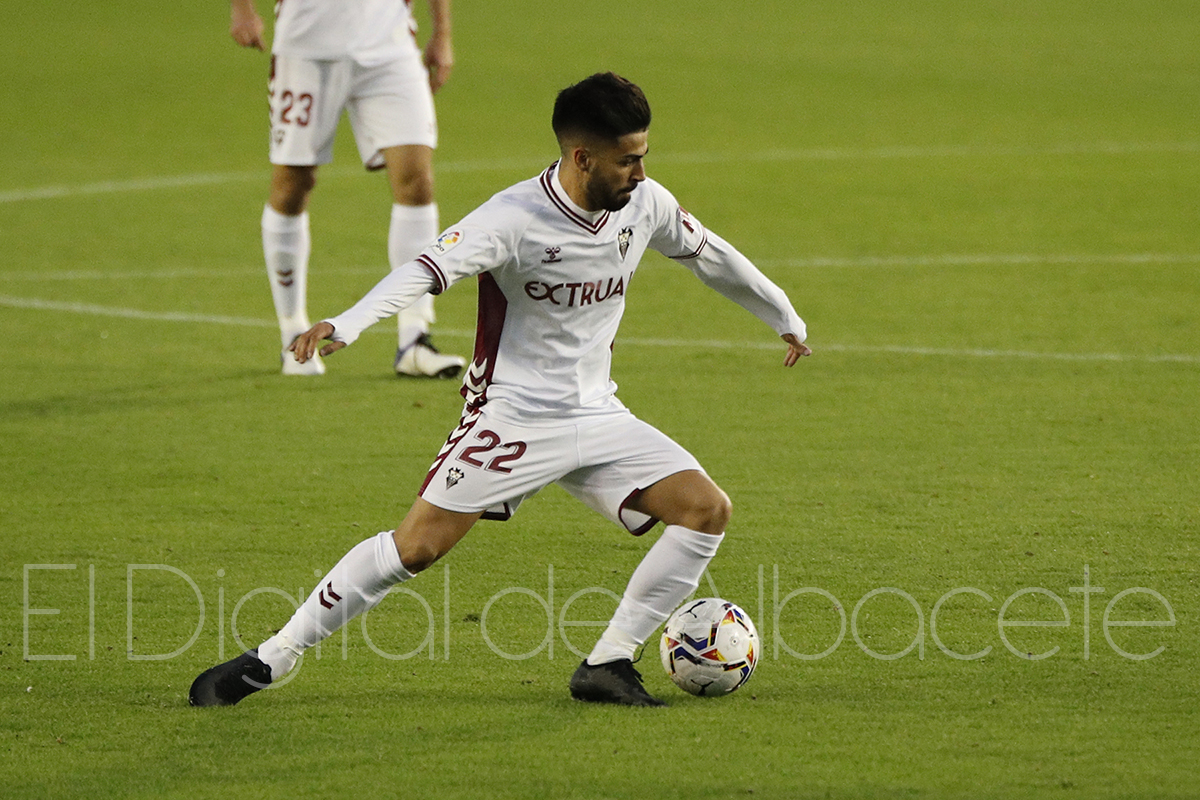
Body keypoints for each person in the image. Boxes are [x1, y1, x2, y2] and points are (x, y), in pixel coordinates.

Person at [190, 72, 811, 708]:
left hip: (598, 413)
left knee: (706, 510)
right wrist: (347, 323)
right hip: (513, 417)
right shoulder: (512, 219)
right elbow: (424, 270)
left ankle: (608, 662)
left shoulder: (644, 205)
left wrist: (783, 314)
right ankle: (272, 657)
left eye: (643, 155)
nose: (641, 173)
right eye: (627, 160)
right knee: (416, 548)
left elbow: (711, 255)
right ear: (582, 157)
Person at [229, 0, 466, 378]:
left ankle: (414, 338)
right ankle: (293, 334)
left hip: (389, 45)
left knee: (417, 181)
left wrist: (442, 32)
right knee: (293, 184)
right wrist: (242, 9)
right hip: (306, 47)